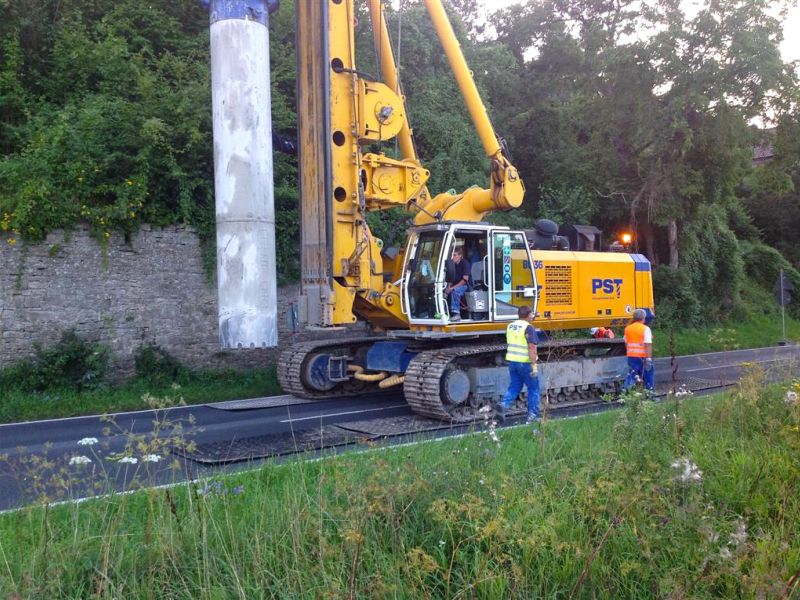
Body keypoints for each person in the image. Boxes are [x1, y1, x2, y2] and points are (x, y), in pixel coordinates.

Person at [497, 305, 541, 428]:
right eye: (532, 314)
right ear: (528, 315)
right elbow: (532, 347)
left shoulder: (510, 326)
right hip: (525, 362)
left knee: (515, 386)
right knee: (534, 388)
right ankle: (533, 415)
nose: (533, 316)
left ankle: (504, 405)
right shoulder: (528, 328)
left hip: (512, 362)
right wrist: (534, 365)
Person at [623, 309, 654, 392]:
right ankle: (650, 394)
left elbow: (626, 343)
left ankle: (625, 393)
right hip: (642, 357)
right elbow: (648, 344)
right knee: (648, 375)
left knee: (632, 375)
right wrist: (648, 359)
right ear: (644, 318)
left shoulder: (628, 329)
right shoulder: (645, 329)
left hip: (631, 356)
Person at [445, 248, 470, 321]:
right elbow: (451, 279)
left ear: (460, 256)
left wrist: (452, 288)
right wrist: (448, 288)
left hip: (466, 286)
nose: (452, 257)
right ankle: (446, 312)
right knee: (445, 291)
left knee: (455, 291)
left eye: (454, 255)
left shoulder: (465, 264)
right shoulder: (452, 265)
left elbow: (465, 280)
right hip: (455, 285)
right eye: (452, 255)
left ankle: (456, 314)